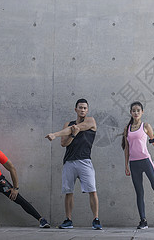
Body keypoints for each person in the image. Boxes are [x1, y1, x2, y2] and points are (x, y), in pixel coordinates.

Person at [45, 98, 102, 230]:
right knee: (68, 192)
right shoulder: (68, 124)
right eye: (80, 108)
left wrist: (55, 134)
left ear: (87, 110)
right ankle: (68, 220)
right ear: (75, 109)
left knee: (92, 190)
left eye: (85, 108)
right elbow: (64, 143)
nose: (82, 110)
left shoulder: (91, 121)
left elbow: (76, 128)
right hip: (69, 162)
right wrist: (73, 135)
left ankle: (96, 219)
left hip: (85, 161)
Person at [121, 101, 154, 229]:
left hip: (146, 161)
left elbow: (153, 141)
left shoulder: (146, 126)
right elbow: (127, 148)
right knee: (139, 192)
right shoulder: (127, 129)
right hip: (134, 164)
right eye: (133, 110)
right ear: (131, 112)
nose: (136, 112)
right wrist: (126, 165)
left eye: (138, 110)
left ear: (142, 112)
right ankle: (143, 220)